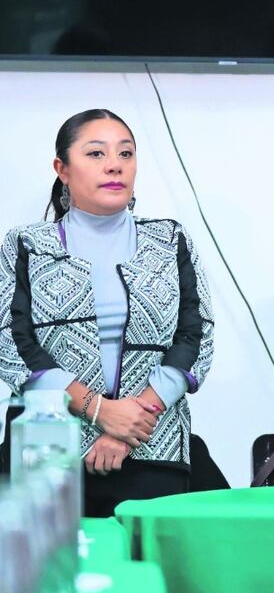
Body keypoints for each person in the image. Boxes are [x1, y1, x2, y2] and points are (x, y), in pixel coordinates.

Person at [0, 109, 215, 516]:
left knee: (155, 570)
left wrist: (130, 422)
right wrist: (98, 411)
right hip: (48, 448)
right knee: (46, 574)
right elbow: (10, 340)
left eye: (126, 153)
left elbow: (196, 333)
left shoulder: (169, 240)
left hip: (152, 444)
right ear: (62, 169)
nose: (115, 164)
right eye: (96, 154)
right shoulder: (26, 244)